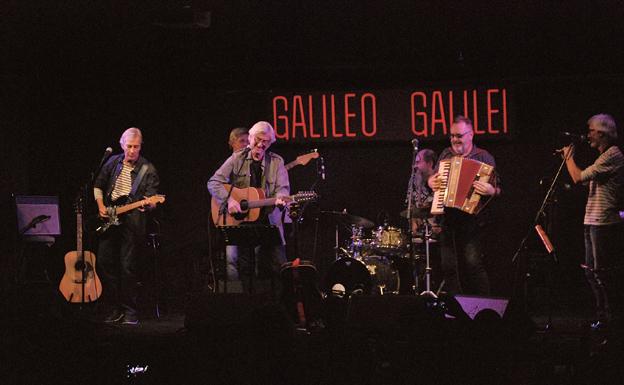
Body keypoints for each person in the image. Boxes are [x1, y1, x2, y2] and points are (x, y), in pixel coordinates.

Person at [208, 121, 290, 296]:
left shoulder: (276, 162)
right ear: (250, 138)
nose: (261, 145)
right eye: (258, 140)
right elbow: (213, 182)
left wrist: (282, 197)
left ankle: (281, 307)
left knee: (279, 266)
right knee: (243, 266)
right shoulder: (237, 158)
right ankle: (244, 305)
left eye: (266, 142)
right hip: (243, 222)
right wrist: (229, 200)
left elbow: (283, 189)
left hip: (269, 222)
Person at [561, 113, 624, 330]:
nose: (587, 135)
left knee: (601, 273)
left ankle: (611, 318)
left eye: (591, 130)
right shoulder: (602, 157)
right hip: (592, 220)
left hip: (603, 223)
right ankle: (603, 317)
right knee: (590, 271)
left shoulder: (613, 154)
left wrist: (568, 158)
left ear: (602, 132)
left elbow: (578, 176)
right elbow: (586, 182)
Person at [428, 115, 501, 295]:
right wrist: (431, 181)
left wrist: (492, 190)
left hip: (473, 222)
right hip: (448, 220)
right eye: (452, 135)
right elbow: (434, 180)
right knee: (449, 267)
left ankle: (483, 309)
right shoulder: (446, 155)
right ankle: (456, 308)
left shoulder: (484, 157)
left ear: (471, 135)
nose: (454, 139)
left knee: (473, 266)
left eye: (459, 135)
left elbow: (499, 189)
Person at [94, 127, 160, 325]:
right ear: (122, 145)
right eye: (129, 146)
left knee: (127, 267)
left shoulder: (148, 169)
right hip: (110, 219)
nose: (132, 151)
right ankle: (115, 308)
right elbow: (98, 184)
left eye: (136, 147)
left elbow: (153, 199)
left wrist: (149, 205)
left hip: (131, 223)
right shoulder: (112, 162)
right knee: (104, 263)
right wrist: (100, 206)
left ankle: (130, 311)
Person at [406, 148, 438, 236]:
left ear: (430, 163)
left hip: (439, 229)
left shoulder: (440, 178)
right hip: (420, 231)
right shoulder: (413, 180)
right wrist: (413, 221)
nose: (414, 166)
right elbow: (410, 204)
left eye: (418, 162)